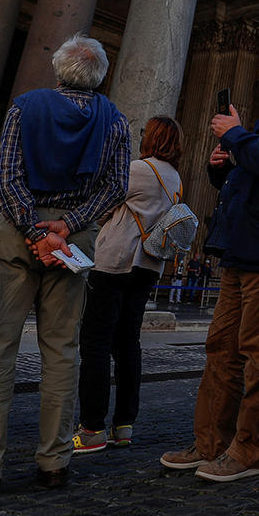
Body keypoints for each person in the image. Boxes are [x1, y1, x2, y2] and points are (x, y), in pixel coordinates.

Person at [0, 35, 130, 498]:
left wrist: (34, 229)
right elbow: (116, 186)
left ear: (58, 68)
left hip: (16, 237)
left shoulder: (25, 107)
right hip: (73, 241)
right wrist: (66, 226)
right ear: (100, 76)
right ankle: (54, 463)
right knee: (63, 353)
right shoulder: (116, 119)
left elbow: (7, 179)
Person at [160, 50, 259, 484]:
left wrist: (235, 137)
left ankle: (249, 449)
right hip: (242, 247)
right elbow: (254, 176)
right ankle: (211, 444)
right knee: (221, 348)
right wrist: (224, 167)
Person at [72, 115, 183, 454]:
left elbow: (101, 209)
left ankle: (91, 427)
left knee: (95, 344)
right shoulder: (174, 176)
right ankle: (124, 424)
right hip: (148, 264)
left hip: (116, 261)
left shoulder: (138, 169)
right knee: (128, 344)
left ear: (152, 139)